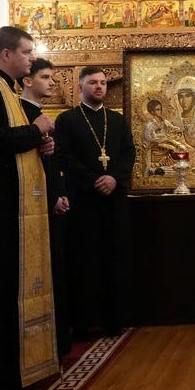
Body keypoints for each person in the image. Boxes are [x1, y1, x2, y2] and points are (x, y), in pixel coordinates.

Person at [0, 26, 60, 390]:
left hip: (17, 207)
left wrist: (39, 144)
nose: (32, 58)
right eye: (26, 52)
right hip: (0, 208)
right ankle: (5, 373)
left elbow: (16, 141)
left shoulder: (8, 89)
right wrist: (35, 132)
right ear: (6, 54)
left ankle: (22, 365)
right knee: (4, 291)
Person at [53, 67, 136, 336]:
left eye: (102, 83)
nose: (99, 87)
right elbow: (63, 156)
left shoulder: (117, 120)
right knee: (84, 259)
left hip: (114, 199)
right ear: (80, 87)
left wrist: (114, 178)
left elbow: (129, 153)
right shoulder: (67, 120)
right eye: (93, 83)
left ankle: (115, 319)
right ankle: (85, 321)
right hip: (83, 200)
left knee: (114, 256)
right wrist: (94, 180)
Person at [20, 57, 72, 357]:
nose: (52, 82)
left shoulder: (41, 115)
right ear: (28, 81)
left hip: (51, 202)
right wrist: (52, 196)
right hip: (34, 206)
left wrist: (60, 193)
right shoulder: (20, 113)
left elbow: (52, 163)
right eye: (45, 77)